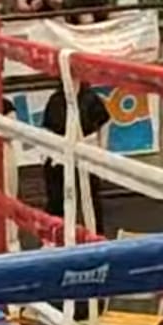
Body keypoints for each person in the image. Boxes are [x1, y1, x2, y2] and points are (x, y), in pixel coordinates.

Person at [41, 80, 110, 237]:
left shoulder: (91, 99)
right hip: (61, 151)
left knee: (91, 197)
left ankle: (96, 234)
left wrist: (102, 150)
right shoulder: (56, 100)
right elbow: (47, 129)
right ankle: (54, 236)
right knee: (56, 198)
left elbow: (104, 122)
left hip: (86, 150)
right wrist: (47, 154)